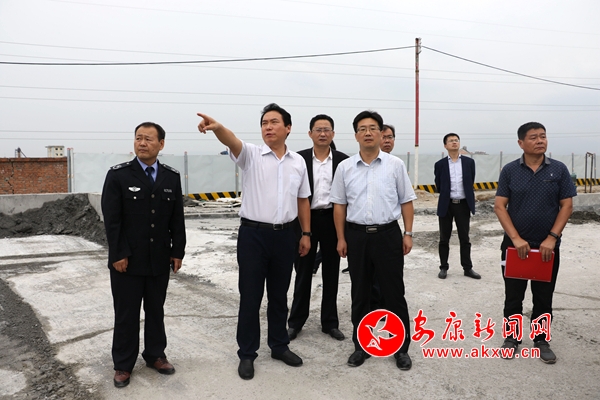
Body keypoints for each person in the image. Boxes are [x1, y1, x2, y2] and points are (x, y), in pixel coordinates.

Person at [196, 104, 311, 380]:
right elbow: (231, 140)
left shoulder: (298, 162)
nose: (268, 127)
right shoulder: (251, 154)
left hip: (286, 235)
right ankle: (247, 353)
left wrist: (306, 234)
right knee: (250, 296)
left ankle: (279, 346)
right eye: (264, 123)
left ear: (288, 128)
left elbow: (302, 199)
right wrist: (217, 128)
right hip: (253, 236)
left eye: (274, 122)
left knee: (279, 295)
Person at [101, 122, 186, 388]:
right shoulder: (118, 175)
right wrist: (118, 254)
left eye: (148, 139)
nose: (142, 143)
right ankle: (123, 364)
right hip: (127, 260)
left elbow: (177, 218)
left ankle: (155, 355)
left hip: (158, 258)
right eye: (138, 138)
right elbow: (112, 220)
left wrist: (177, 251)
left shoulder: (171, 177)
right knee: (126, 313)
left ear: (161, 144)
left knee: (155, 310)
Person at [331, 110, 416, 371]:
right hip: (356, 237)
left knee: (394, 292)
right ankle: (362, 345)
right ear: (356, 135)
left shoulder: (395, 165)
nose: (367, 133)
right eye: (362, 129)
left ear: (381, 133)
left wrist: (408, 233)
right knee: (361, 292)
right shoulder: (345, 167)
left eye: (373, 128)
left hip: (388, 235)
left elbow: (406, 200)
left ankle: (401, 347)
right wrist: (341, 238)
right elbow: (339, 205)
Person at [494, 122, 576, 364]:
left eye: (543, 136)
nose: (540, 141)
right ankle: (512, 337)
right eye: (533, 137)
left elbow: (567, 205)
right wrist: (516, 239)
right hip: (514, 247)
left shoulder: (558, 170)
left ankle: (541, 340)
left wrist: (552, 238)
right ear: (521, 143)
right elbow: (500, 206)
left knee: (543, 296)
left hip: (546, 248)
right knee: (513, 295)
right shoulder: (510, 170)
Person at [287, 114, 348, 342]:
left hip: (333, 220)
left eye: (327, 129)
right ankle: (296, 322)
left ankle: (330, 323)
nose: (323, 133)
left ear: (333, 133)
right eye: (318, 129)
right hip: (306, 219)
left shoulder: (343, 161)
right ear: (310, 133)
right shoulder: (299, 159)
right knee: (303, 271)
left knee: (331, 272)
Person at [434, 133, 480, 279]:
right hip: (446, 205)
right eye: (451, 141)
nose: (454, 142)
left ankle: (467, 268)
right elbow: (439, 185)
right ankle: (443, 267)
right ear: (445, 145)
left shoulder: (469, 162)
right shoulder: (440, 165)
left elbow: (470, 181)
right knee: (444, 238)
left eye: (456, 140)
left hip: (463, 205)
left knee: (464, 238)